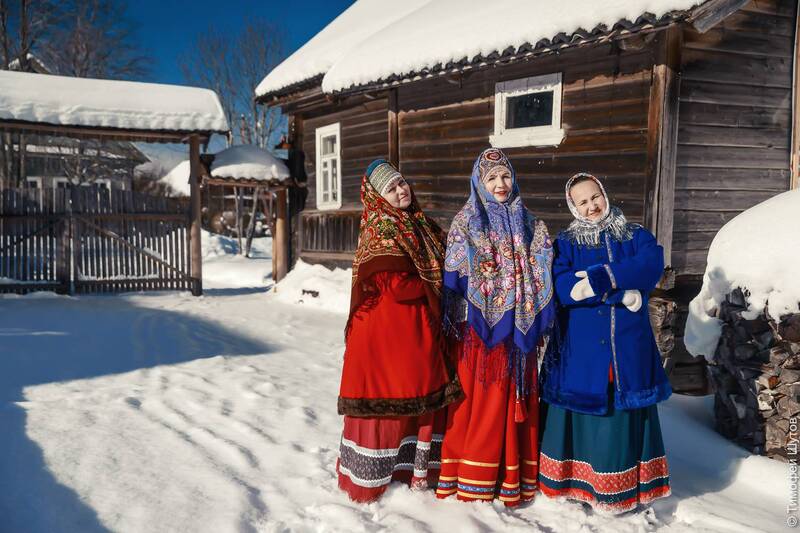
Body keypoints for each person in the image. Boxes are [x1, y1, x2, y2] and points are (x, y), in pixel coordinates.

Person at [538, 172, 672, 514]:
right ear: (573, 206)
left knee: (620, 402)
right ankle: (574, 483)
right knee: (582, 408)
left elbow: (650, 264)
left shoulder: (634, 234)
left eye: (595, 196)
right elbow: (564, 286)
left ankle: (621, 489)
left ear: (605, 194)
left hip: (626, 345)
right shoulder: (565, 243)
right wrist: (619, 293)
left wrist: (602, 278)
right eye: (582, 201)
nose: (592, 205)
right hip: (580, 349)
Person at [336, 159, 462, 503]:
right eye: (391, 188)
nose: (400, 191)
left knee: (413, 400)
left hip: (411, 331)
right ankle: (370, 480)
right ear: (377, 196)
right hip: (387, 334)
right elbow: (395, 286)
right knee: (389, 404)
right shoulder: (382, 226)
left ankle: (409, 472)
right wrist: (438, 282)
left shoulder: (416, 223)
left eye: (402, 183)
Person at [436, 148, 556, 506]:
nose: (500, 184)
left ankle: (514, 475)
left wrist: (528, 272)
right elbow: (456, 269)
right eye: (491, 178)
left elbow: (544, 259)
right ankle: (476, 477)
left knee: (518, 401)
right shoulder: (467, 220)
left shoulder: (531, 222)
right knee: (483, 403)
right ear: (478, 183)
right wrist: (493, 274)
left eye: (505, 176)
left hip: (521, 332)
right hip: (481, 333)